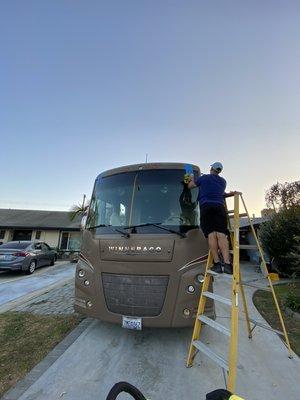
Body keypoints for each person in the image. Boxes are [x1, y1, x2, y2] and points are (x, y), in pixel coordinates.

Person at [188, 162, 233, 274]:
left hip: (206, 206)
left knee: (211, 235)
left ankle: (217, 264)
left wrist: (190, 178)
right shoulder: (223, 181)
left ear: (211, 168)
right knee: (221, 235)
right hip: (219, 206)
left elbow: (190, 186)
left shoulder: (203, 178)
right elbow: (221, 193)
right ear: (219, 171)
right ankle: (227, 264)